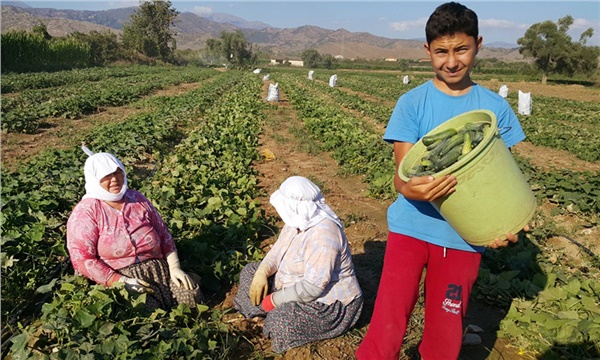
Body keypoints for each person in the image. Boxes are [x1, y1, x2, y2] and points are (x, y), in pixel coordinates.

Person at [355, 2, 530, 359]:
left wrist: (505, 223)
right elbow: (402, 177)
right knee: (389, 316)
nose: (451, 61)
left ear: (478, 44)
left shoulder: (495, 109)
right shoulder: (412, 103)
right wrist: (408, 187)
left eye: (461, 49)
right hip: (410, 228)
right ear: (427, 51)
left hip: (463, 237)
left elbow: (500, 178)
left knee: (446, 326)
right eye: (441, 52)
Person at [233, 176, 363, 353]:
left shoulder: (323, 236)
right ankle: (260, 313)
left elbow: (313, 288)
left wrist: (272, 301)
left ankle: (266, 317)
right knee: (250, 271)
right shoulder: (296, 221)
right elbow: (277, 252)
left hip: (326, 302)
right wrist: (262, 273)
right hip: (291, 284)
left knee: (282, 322)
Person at [66, 145, 203, 310]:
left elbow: (163, 234)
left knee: (191, 297)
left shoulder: (136, 198)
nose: (115, 179)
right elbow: (83, 259)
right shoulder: (86, 211)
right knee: (147, 312)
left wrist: (175, 267)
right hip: (121, 278)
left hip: (159, 270)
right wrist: (120, 281)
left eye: (118, 173)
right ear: (95, 178)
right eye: (107, 176)